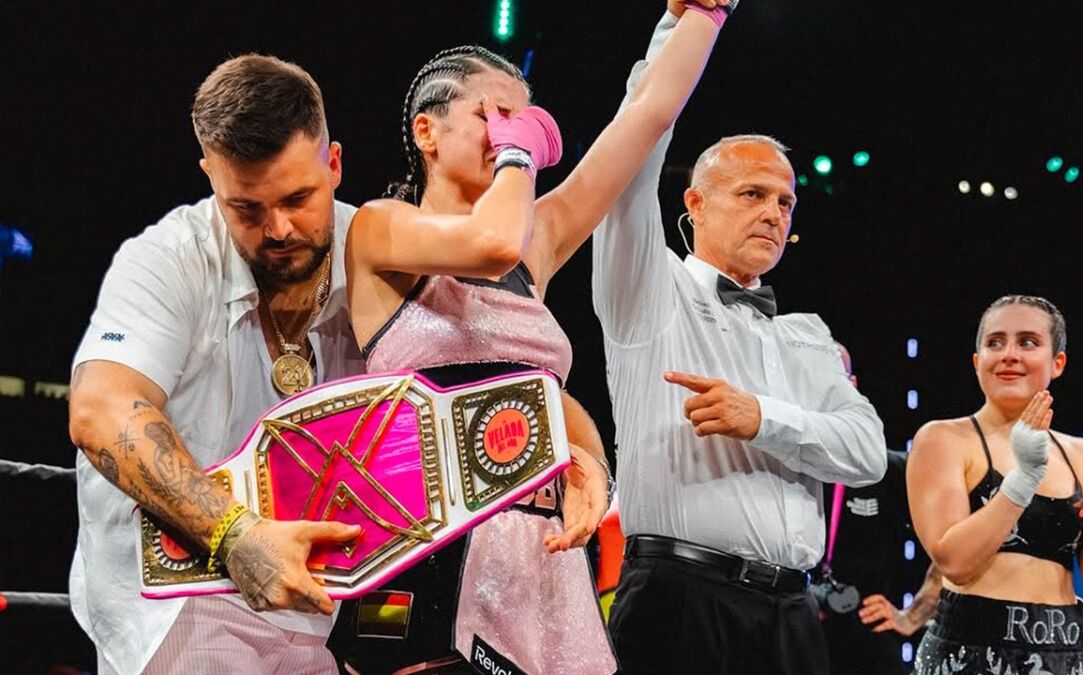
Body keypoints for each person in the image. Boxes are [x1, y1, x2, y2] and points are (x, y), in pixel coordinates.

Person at [335, 3, 731, 672]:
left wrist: (703, 14)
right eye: (492, 114)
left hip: (537, 551)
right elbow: (491, 242)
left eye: (523, 118)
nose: (512, 131)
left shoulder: (537, 241)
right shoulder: (380, 228)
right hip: (425, 541)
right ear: (427, 131)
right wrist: (519, 151)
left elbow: (643, 120)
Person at [591, 53, 888, 675]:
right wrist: (678, 35)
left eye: (785, 201)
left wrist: (761, 419)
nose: (774, 212)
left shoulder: (807, 335)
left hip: (794, 613)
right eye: (753, 193)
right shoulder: (652, 291)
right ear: (695, 204)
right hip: (679, 600)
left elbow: (866, 455)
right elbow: (629, 166)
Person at [67, 54, 364, 675]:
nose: (278, 229)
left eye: (298, 198)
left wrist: (572, 452)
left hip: (317, 605)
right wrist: (234, 534)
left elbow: (498, 331)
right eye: (246, 209)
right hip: (178, 599)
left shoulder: (376, 250)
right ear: (210, 175)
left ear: (334, 164)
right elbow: (100, 409)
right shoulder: (167, 259)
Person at [907, 295, 1083, 674]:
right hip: (971, 652)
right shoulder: (943, 439)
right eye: (995, 342)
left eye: (1028, 342)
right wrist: (1024, 479)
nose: (1009, 354)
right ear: (977, 361)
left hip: (1068, 653)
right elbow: (954, 562)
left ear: (1057, 362)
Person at [818, 343, 931, 675]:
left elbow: (955, 541)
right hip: (788, 629)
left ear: (852, 385)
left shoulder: (886, 468)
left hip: (864, 637)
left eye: (832, 378)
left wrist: (914, 614)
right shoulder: (771, 462)